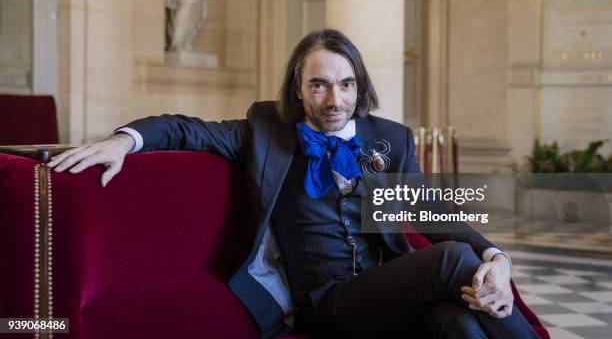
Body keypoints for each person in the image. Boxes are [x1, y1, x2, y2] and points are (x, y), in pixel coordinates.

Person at [48, 29, 539, 339]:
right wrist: (123, 141)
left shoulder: (389, 139)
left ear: (359, 87)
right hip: (325, 305)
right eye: (318, 84)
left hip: (387, 295)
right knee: (454, 261)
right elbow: (182, 127)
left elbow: (434, 214)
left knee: (456, 324)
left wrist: (499, 260)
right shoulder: (267, 132)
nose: (333, 98)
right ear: (298, 90)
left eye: (345, 84)